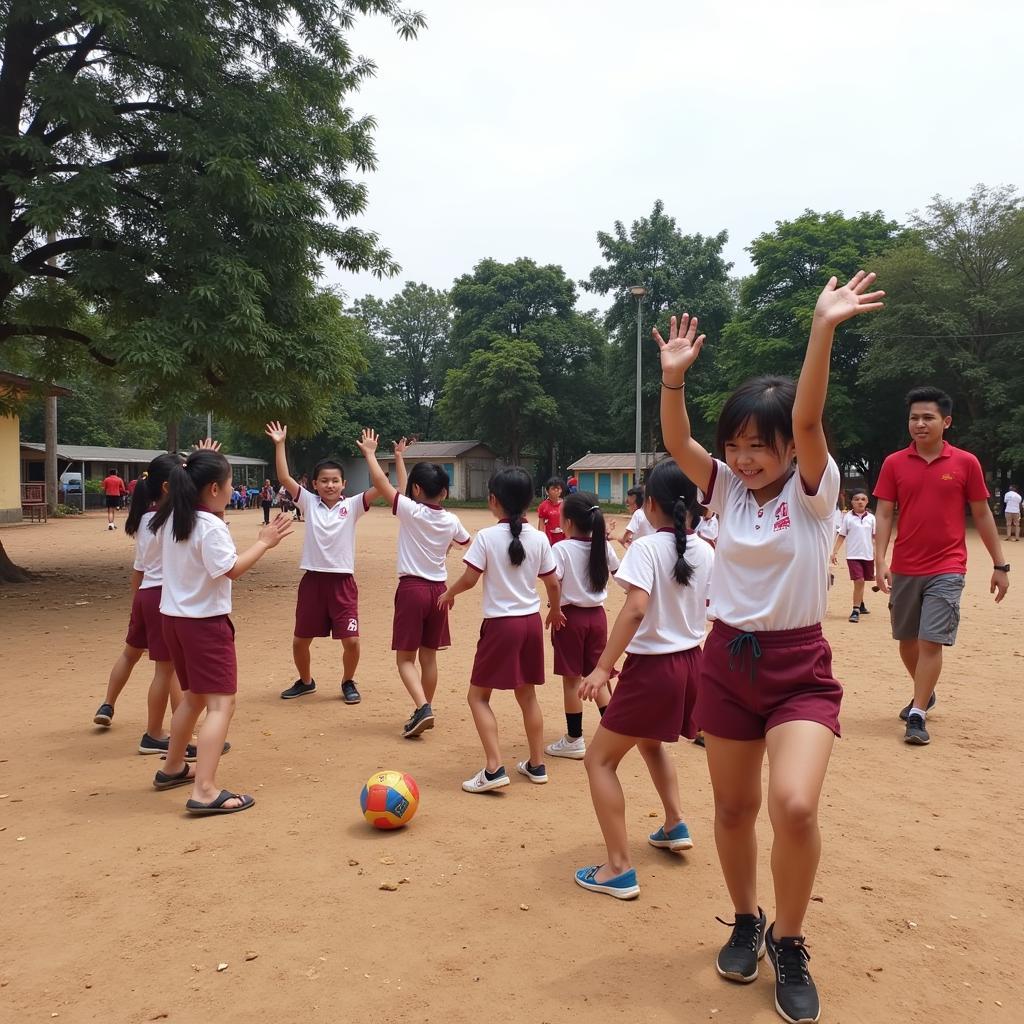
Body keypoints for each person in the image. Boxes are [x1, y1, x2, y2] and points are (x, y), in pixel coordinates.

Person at [657, 272, 885, 1024]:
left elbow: (813, 419)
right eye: (737, 445)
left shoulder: (814, 494)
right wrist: (672, 383)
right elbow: (675, 443)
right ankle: (746, 920)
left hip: (797, 671)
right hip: (725, 663)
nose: (745, 457)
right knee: (731, 807)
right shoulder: (723, 489)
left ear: (790, 447)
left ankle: (789, 940)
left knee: (791, 805)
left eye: (761, 445)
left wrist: (823, 329)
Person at [573, 460, 713, 900]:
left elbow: (635, 608)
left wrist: (601, 668)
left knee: (598, 760)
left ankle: (618, 868)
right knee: (650, 742)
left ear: (650, 503)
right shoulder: (705, 550)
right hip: (691, 662)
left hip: (654, 668)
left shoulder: (648, 548)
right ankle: (674, 823)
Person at [150, 447, 292, 814]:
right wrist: (264, 541)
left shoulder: (172, 517)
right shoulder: (209, 527)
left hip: (175, 621)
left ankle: (173, 767)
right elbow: (229, 569)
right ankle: (205, 790)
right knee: (220, 704)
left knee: (195, 696)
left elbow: (208, 529)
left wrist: (201, 459)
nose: (232, 490)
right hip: (204, 625)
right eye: (228, 484)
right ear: (214, 488)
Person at [874, 386, 1009, 747]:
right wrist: (880, 559)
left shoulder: (966, 463)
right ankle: (925, 690)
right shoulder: (894, 463)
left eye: (928, 417)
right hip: (905, 566)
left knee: (931, 641)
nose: (920, 424)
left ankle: (917, 714)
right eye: (914, 418)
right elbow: (885, 512)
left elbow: (981, 511)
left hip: (948, 566)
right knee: (906, 641)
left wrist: (1001, 565)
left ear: (946, 422)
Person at [439, 467, 560, 793]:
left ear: (493, 500)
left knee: (477, 697)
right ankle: (536, 764)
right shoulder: (539, 538)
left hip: (501, 626)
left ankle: (494, 768)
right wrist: (556, 611)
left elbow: (469, 579)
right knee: (527, 694)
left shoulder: (487, 538)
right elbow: (552, 582)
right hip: (530, 624)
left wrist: (449, 592)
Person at [357, 431, 471, 738]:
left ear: (417, 489)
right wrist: (399, 457)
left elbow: (385, 486)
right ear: (445, 492)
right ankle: (425, 706)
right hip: (440, 592)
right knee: (428, 656)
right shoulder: (451, 520)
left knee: (405, 659)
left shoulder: (410, 511)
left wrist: (371, 453)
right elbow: (465, 543)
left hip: (413, 590)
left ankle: (422, 707)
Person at [266, 421, 379, 704]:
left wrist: (370, 455)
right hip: (313, 582)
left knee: (351, 641)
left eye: (335, 480)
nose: (330, 485)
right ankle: (306, 682)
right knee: (300, 640)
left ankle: (348, 681)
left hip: (342, 583)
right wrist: (280, 444)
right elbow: (283, 477)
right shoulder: (308, 502)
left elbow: (381, 486)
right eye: (324, 481)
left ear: (344, 484)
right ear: (314, 484)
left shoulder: (351, 506)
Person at [93, 454, 185, 754]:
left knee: (131, 653)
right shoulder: (174, 519)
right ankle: (159, 733)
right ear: (169, 486)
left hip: (145, 594)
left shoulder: (145, 518)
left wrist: (138, 603)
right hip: (162, 597)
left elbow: (139, 570)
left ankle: (108, 704)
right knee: (167, 670)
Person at [544, 492, 619, 760]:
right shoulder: (604, 547)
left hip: (569, 619)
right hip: (597, 618)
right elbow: (622, 577)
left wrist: (554, 610)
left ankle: (574, 739)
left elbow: (554, 583)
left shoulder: (561, 549)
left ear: (568, 522)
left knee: (571, 681)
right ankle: (614, 733)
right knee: (596, 676)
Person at [830, 489, 875, 623]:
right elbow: (842, 535)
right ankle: (855, 610)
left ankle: (860, 604)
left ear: (867, 501)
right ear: (852, 502)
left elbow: (876, 537)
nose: (860, 501)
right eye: (857, 499)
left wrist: (878, 554)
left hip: (867, 554)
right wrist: (835, 552)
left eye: (863, 499)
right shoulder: (848, 518)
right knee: (859, 580)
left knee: (863, 581)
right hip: (853, 555)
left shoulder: (872, 518)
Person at [537, 477, 567, 545]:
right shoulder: (543, 506)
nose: (556, 490)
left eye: (558, 488)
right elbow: (541, 526)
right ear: (547, 491)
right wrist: (542, 540)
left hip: (564, 540)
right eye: (553, 488)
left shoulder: (565, 505)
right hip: (549, 541)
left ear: (561, 490)